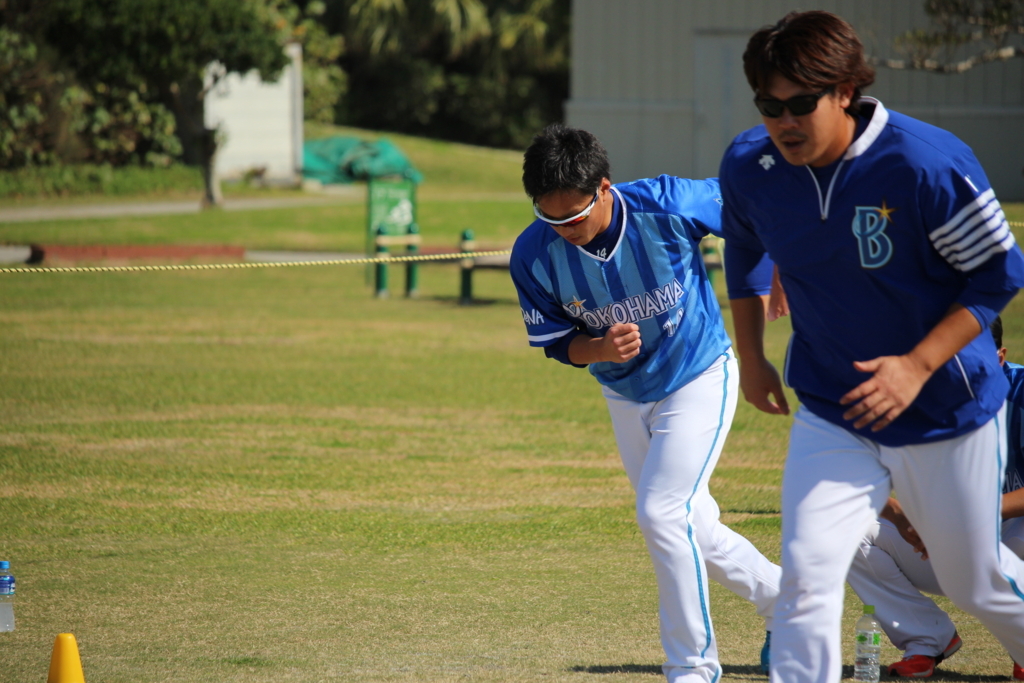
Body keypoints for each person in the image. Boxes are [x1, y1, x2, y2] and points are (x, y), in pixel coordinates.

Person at [718, 10, 1024, 683]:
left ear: (845, 93)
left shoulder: (925, 163)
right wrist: (752, 355)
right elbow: (742, 244)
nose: (784, 121)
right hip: (833, 406)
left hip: (948, 409)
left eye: (801, 104)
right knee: (807, 571)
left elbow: (1000, 275)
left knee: (975, 581)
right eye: (770, 105)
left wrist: (916, 366)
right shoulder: (751, 164)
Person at [510, 123, 781, 683]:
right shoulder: (532, 254)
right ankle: (789, 604)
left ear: (604, 188)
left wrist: (782, 266)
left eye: (575, 216)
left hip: (699, 373)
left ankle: (690, 668)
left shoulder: (666, 203)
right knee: (691, 527)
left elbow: (755, 212)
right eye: (550, 219)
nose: (565, 231)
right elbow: (559, 345)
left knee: (661, 513)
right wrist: (599, 346)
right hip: (623, 393)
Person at [845, 316, 1024, 679]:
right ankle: (926, 637)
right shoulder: (919, 394)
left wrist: (969, 519)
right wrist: (907, 518)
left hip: (1007, 534)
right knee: (849, 527)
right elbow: (856, 467)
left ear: (1000, 357)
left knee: (1017, 535)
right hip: (960, 539)